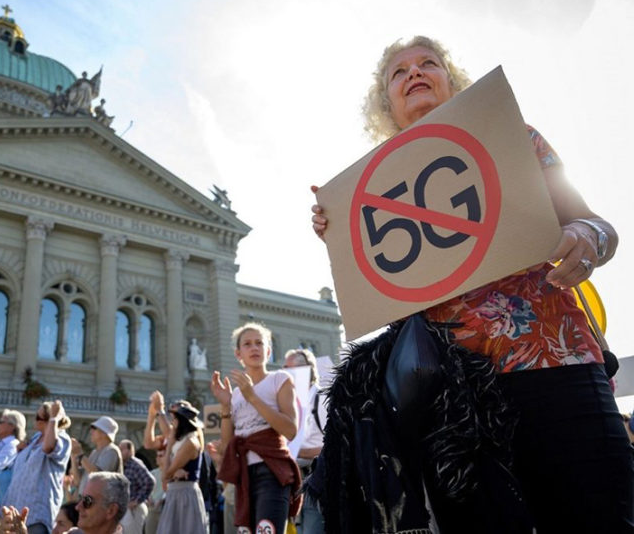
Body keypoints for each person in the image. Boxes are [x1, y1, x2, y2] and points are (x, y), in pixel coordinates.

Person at [309, 35, 632, 533]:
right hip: (452, 401)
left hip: (554, 361)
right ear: (386, 103)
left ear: (450, 79)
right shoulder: (369, 194)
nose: (415, 73)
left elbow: (598, 226)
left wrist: (587, 238)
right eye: (399, 72)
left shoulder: (515, 138)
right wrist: (341, 229)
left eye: (428, 63)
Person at [210, 322, 302, 533]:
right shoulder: (236, 394)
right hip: (244, 475)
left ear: (268, 351)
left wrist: (252, 397)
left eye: (259, 343)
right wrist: (225, 406)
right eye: (248, 344)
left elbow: (290, 430)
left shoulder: (279, 379)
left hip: (272, 470)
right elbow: (228, 444)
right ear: (238, 354)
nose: (254, 348)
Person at [1, 400, 72, 534]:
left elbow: (48, 447)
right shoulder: (35, 439)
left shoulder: (62, 438)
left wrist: (54, 418)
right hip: (17, 509)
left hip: (37, 514)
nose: (36, 420)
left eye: (39, 417)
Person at [283, 348, 326, 534]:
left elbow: (335, 445)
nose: (287, 373)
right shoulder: (289, 403)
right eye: (285, 368)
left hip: (315, 478)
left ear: (308, 370)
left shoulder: (322, 398)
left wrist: (296, 451)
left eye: (292, 368)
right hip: (292, 481)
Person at [155, 400, 209, 534]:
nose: (172, 422)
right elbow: (167, 474)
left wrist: (169, 446)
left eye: (174, 419)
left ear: (182, 421)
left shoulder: (190, 442)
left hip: (184, 494)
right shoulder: (182, 441)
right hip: (176, 492)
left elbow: (165, 474)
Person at [71, 416, 122, 494]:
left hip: (102, 500)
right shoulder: (94, 452)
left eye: (94, 428)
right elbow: (77, 480)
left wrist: (80, 453)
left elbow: (97, 476)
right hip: (88, 499)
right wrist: (73, 455)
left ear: (104, 433)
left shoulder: (112, 451)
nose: (91, 431)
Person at [117, 440, 154, 534]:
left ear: (130, 450)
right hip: (126, 508)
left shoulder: (135, 464)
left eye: (122, 449)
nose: (119, 451)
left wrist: (137, 500)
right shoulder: (123, 466)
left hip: (134, 509)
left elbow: (150, 481)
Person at [143, 449, 166, 534]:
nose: (158, 458)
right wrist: (148, 499)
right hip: (152, 510)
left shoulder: (171, 473)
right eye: (157, 456)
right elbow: (145, 490)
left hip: (165, 509)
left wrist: (162, 500)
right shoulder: (152, 474)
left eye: (161, 456)